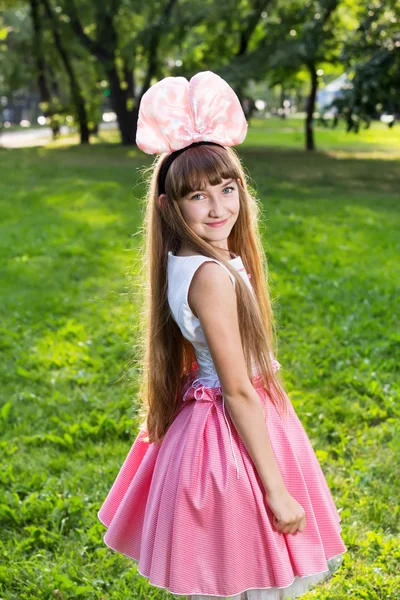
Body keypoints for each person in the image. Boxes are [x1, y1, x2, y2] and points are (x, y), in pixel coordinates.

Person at [97, 71, 347, 600]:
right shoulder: (210, 276)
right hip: (230, 434)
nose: (218, 208)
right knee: (249, 576)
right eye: (197, 196)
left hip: (219, 422)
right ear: (169, 207)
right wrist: (276, 491)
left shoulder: (193, 261)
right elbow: (236, 388)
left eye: (227, 188)